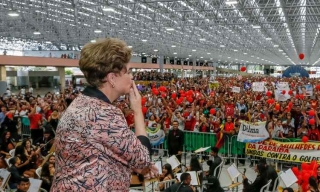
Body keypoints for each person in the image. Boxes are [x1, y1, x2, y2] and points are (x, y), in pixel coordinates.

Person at [51, 38, 157, 191]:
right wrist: (137, 110)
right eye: (128, 71)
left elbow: (100, 153)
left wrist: (135, 166)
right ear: (112, 78)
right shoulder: (103, 114)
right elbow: (143, 158)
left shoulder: (82, 103)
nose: (132, 77)